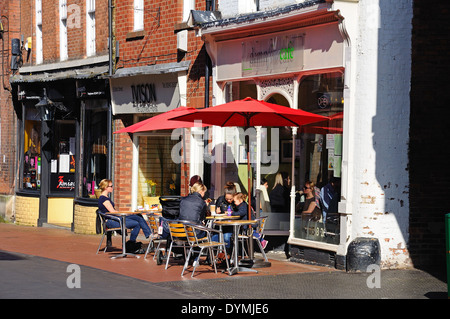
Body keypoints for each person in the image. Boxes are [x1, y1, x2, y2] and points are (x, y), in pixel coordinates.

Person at [97, 179, 151, 251]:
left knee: (138, 216)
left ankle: (147, 235)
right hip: (112, 221)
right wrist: (124, 214)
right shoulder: (104, 199)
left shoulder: (105, 198)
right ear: (106, 187)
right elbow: (112, 212)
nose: (113, 187)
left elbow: (113, 212)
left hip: (115, 218)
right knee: (137, 224)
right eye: (111, 186)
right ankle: (133, 242)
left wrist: (126, 213)